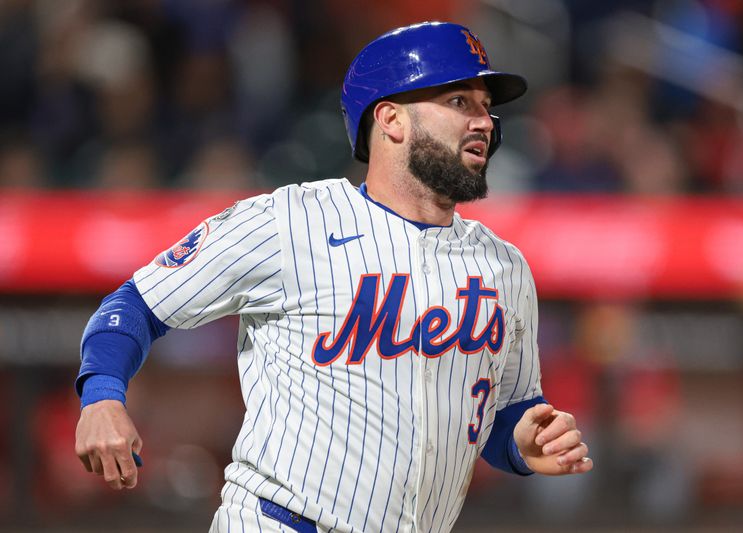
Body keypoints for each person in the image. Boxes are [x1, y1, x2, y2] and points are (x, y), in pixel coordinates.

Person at [74, 21, 593, 532]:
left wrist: (526, 444)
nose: (484, 121)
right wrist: (101, 395)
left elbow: (503, 412)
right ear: (391, 119)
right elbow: (137, 304)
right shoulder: (289, 222)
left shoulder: (505, 267)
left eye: (487, 106)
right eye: (460, 102)